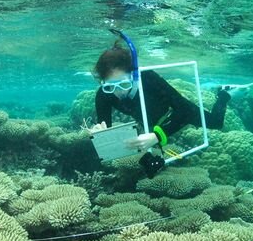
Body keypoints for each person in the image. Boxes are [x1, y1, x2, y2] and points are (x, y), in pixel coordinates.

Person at [89, 40, 245, 175]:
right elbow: (105, 129)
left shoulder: (148, 79)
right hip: (150, 121)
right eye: (110, 86)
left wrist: (157, 136)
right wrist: (101, 135)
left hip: (175, 112)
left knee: (216, 122)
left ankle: (224, 95)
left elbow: (184, 110)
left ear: (133, 76)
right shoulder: (104, 94)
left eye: (123, 84)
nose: (118, 92)